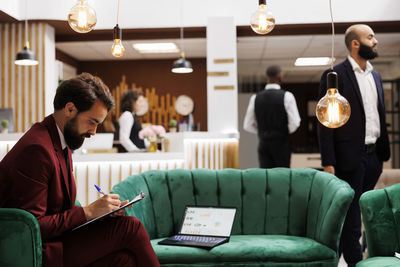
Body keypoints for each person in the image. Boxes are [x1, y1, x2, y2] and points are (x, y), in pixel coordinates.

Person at [0, 73, 160, 267]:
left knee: (125, 261)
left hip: (58, 240)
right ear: (69, 109)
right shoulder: (37, 149)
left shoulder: (59, 140)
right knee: (130, 228)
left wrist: (99, 213)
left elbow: (57, 210)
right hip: (40, 250)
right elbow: (30, 227)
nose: (93, 132)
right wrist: (87, 212)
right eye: (92, 122)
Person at [317, 24, 390, 267]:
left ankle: (331, 258)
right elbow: (325, 123)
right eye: (370, 37)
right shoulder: (334, 75)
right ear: (355, 44)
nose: (376, 41)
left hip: (374, 157)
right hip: (348, 157)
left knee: (364, 210)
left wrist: (381, 154)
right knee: (351, 216)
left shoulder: (375, 75)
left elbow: (378, 115)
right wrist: (328, 162)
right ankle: (356, 262)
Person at [243, 65, 301, 168]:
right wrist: (282, 131)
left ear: (267, 78)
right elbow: (295, 122)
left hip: (264, 144)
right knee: (283, 177)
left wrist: (262, 131)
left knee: (266, 177)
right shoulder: (287, 96)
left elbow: (247, 125)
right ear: (280, 76)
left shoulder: (255, 98)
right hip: (282, 144)